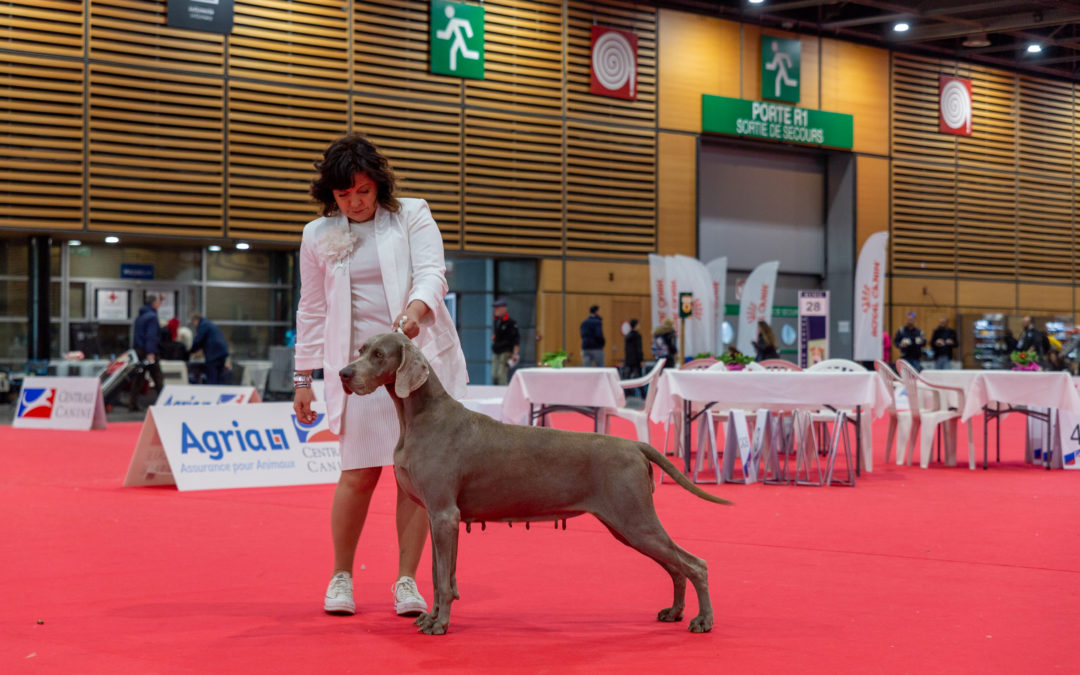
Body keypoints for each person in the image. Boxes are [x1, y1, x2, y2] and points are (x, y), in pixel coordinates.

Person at [293, 133, 468, 619]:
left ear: (379, 186)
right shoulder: (316, 234)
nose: (355, 202)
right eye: (344, 195)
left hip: (415, 367)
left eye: (363, 191)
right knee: (357, 474)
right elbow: (311, 310)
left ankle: (407, 581)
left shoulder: (411, 214)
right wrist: (302, 379)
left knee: (416, 478)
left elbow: (433, 273)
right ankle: (341, 575)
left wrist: (414, 313)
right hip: (358, 372)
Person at [130, 293, 164, 411]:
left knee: (139, 377)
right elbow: (151, 336)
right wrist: (151, 352)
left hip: (139, 351)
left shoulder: (140, 317)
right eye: (158, 302)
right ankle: (165, 402)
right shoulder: (152, 317)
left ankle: (133, 403)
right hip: (148, 352)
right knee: (157, 377)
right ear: (154, 303)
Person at [190, 313, 229, 384]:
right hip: (222, 351)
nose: (194, 326)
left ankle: (212, 391)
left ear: (196, 321)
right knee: (219, 376)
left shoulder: (203, 325)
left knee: (212, 377)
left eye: (193, 324)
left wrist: (190, 351)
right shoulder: (209, 324)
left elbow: (198, 340)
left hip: (214, 354)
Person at [490, 298, 519, 385]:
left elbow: (516, 339)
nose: (495, 310)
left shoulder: (511, 323)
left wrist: (515, 353)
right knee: (494, 374)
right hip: (497, 351)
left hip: (505, 352)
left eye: (498, 308)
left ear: (504, 309)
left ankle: (504, 393)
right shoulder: (497, 321)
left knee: (501, 375)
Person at [623, 318, 644, 397]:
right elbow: (638, 348)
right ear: (635, 325)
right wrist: (641, 359)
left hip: (628, 360)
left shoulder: (627, 336)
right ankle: (643, 396)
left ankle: (626, 395)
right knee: (639, 379)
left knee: (627, 379)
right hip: (636, 360)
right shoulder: (637, 335)